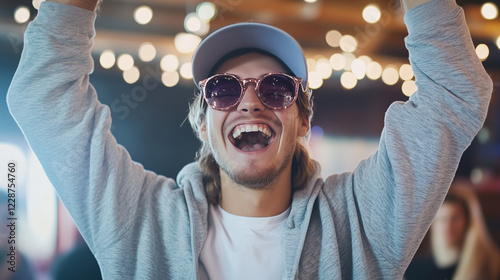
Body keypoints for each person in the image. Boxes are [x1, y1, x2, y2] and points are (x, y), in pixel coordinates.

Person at [6, 0, 492, 278]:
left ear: (302, 122)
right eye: (222, 89)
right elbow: (42, 98)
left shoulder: (362, 221)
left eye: (277, 89)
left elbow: (456, 94)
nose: (249, 102)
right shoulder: (143, 222)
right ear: (202, 123)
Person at [405, 183, 500, 280]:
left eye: (454, 219)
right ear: (431, 223)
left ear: (467, 221)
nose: (447, 226)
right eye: (441, 219)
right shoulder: (412, 270)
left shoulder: (492, 265)